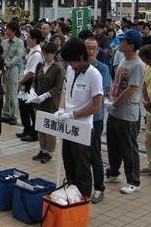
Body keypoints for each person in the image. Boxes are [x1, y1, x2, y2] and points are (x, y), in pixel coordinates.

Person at [56, 37, 103, 198]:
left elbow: (96, 107)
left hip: (82, 127)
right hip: (67, 125)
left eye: (73, 60)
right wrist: (62, 108)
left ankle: (83, 199)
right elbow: (67, 93)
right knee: (68, 163)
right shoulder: (70, 70)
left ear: (82, 56)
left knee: (82, 167)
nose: (70, 63)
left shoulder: (94, 75)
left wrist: (73, 114)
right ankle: (70, 195)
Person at [104, 29, 144, 194]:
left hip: (127, 114)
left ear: (131, 45)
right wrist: (110, 101)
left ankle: (134, 181)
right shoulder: (123, 61)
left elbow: (130, 89)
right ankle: (114, 172)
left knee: (129, 148)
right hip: (114, 112)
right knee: (113, 145)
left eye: (123, 41)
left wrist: (115, 104)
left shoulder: (138, 65)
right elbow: (117, 83)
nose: (120, 43)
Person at [27, 42, 64, 163]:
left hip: (50, 102)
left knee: (49, 127)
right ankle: (42, 149)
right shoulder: (40, 65)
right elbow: (35, 80)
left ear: (54, 54)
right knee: (40, 126)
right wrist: (32, 89)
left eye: (48, 54)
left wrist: (46, 95)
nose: (45, 56)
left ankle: (49, 151)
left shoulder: (58, 68)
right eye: (44, 54)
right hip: (38, 101)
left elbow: (58, 87)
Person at [84, 37, 110, 203]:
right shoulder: (77, 68)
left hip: (95, 118)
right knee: (80, 153)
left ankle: (99, 187)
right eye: (87, 48)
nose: (91, 52)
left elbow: (102, 92)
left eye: (94, 48)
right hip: (80, 118)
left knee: (95, 153)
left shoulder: (102, 69)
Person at [18, 29, 44, 141]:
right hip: (26, 81)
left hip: (30, 82)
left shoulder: (37, 54)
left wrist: (22, 81)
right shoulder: (32, 51)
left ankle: (34, 133)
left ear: (34, 39)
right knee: (23, 107)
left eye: (29, 37)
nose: (27, 39)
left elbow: (32, 72)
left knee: (30, 108)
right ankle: (27, 129)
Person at [1, 21, 23, 125]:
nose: (7, 31)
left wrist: (8, 64)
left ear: (14, 31)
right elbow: (1, 54)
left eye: (9, 29)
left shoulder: (19, 43)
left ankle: (14, 116)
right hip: (4, 69)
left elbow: (17, 57)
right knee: (6, 92)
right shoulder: (4, 42)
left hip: (12, 69)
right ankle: (6, 113)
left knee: (13, 92)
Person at [139, 45, 151, 176]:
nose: (148, 64)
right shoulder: (147, 68)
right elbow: (144, 85)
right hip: (150, 110)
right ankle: (150, 163)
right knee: (148, 138)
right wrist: (147, 101)